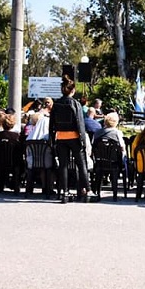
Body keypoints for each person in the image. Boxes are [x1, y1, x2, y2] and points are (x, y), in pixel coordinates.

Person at [49, 75, 91, 203]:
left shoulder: (56, 104)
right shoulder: (75, 103)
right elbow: (80, 122)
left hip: (61, 136)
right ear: (72, 90)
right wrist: (82, 139)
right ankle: (88, 190)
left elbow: (52, 124)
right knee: (81, 164)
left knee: (63, 165)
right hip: (74, 137)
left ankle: (64, 192)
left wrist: (52, 139)